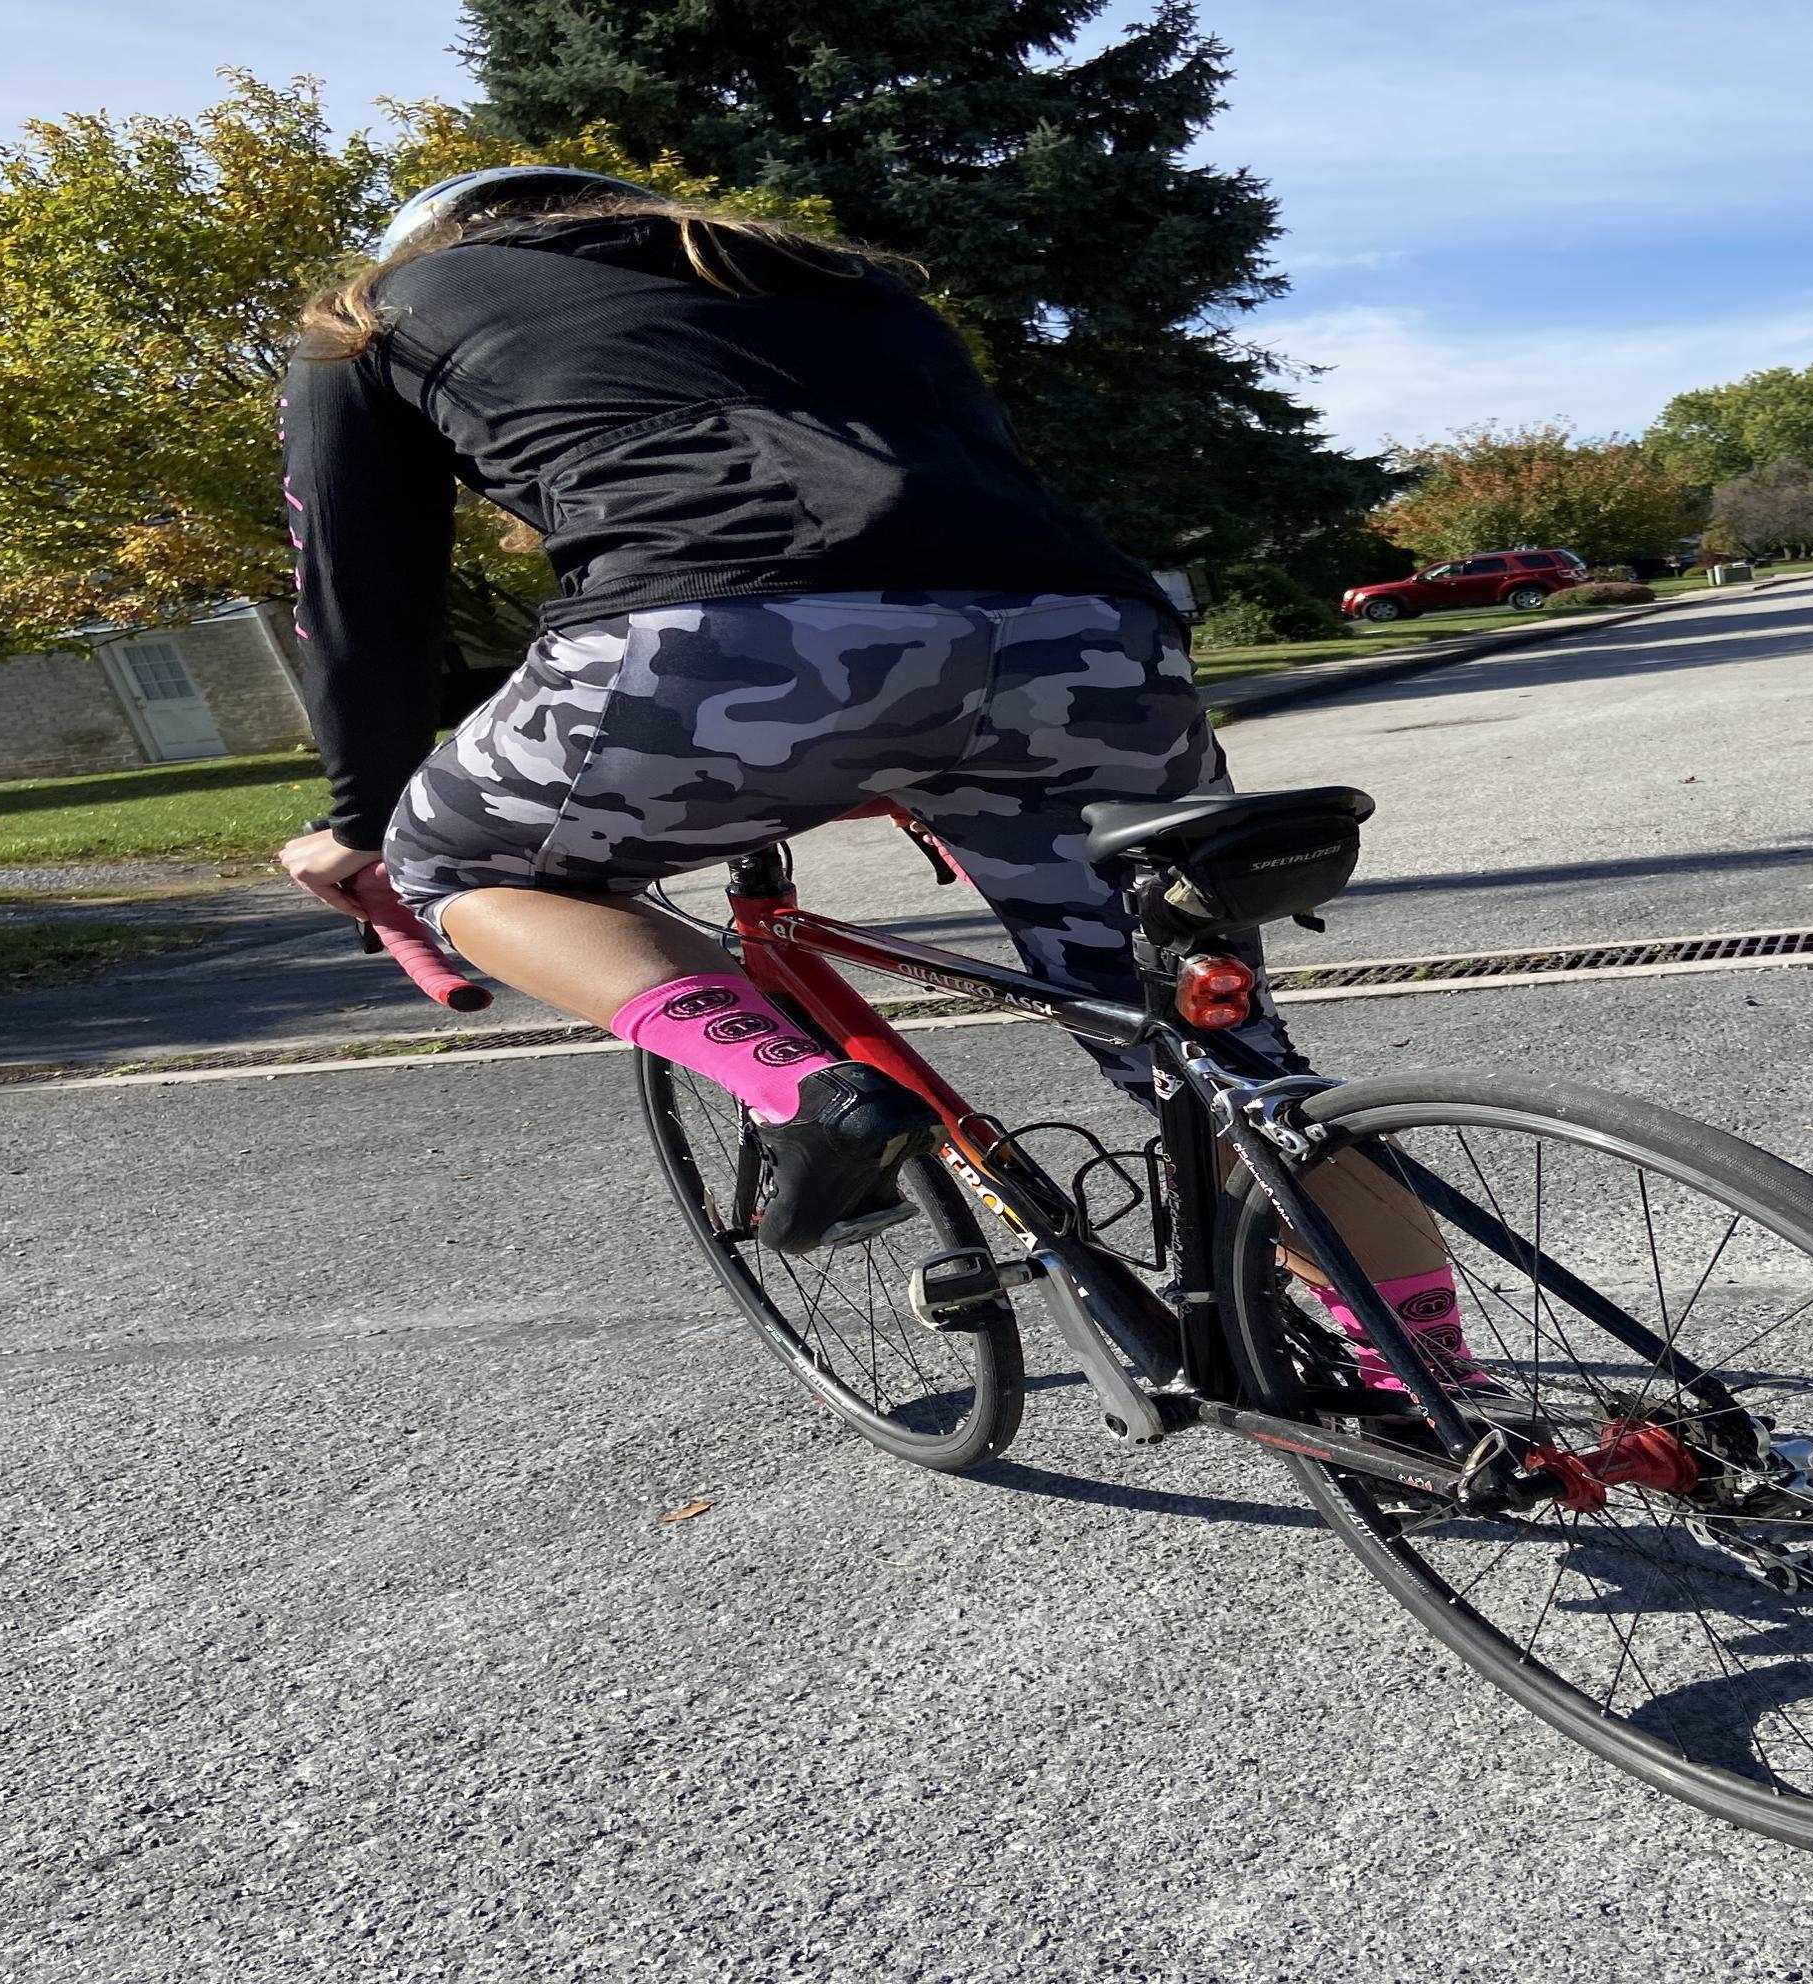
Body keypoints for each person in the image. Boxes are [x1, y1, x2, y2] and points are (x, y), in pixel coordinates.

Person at [274, 167, 1472, 1385]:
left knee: (456, 859)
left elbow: (358, 604)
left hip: (721, 633)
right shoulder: (835, 283)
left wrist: (361, 821)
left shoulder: (373, 316)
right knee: (1224, 1070)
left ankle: (802, 1087)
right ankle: (1447, 1396)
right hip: (1089, 635)